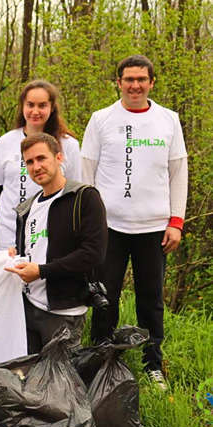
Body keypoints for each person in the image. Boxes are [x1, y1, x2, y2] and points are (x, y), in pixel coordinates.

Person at [82, 55, 188, 389]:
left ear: (152, 82)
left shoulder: (168, 120)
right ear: (118, 82)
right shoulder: (101, 120)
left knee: (151, 298)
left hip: (155, 227)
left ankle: (152, 363)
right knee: (104, 295)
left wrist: (176, 221)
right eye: (128, 79)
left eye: (142, 79)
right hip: (109, 226)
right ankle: (101, 359)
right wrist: (89, 223)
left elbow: (178, 172)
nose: (135, 85)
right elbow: (87, 174)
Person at [5, 133, 107, 353]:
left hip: (64, 314)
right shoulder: (27, 208)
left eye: (42, 158)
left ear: (59, 158)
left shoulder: (84, 197)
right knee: (29, 382)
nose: (36, 166)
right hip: (28, 309)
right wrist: (15, 257)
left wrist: (41, 271)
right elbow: (34, 252)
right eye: (29, 162)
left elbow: (93, 254)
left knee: (61, 386)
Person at [0, 79, 82, 251]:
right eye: (30, 105)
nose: (35, 111)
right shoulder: (4, 143)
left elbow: (74, 190)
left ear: (52, 107)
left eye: (42, 105)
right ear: (22, 106)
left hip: (51, 231)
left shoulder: (68, 145)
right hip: (9, 231)